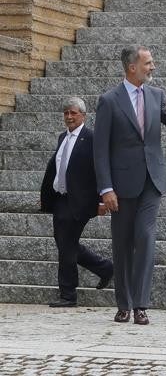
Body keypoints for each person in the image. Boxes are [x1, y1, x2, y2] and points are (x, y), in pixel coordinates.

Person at [39, 97, 112, 308]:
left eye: (73, 113)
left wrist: (101, 199)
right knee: (65, 243)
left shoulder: (91, 138)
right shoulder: (63, 137)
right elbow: (57, 167)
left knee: (66, 246)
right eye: (66, 113)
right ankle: (105, 268)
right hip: (60, 199)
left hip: (80, 201)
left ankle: (68, 295)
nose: (69, 117)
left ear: (83, 115)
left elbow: (101, 169)